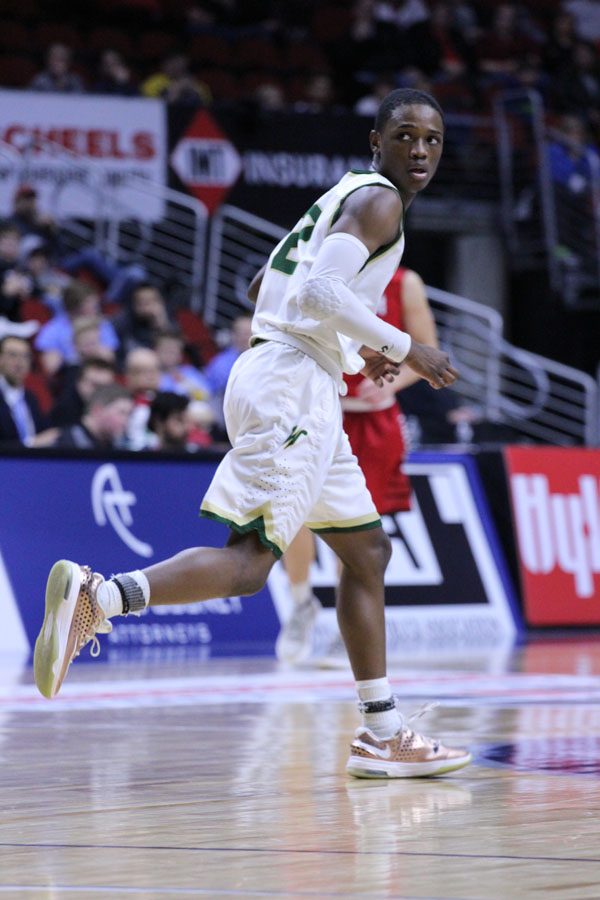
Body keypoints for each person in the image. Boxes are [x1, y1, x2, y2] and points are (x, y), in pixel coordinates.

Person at [33, 88, 471, 779]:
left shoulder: (341, 198)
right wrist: (403, 346)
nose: (419, 151)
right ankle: (102, 596)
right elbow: (316, 296)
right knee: (250, 565)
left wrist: (333, 330)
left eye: (433, 140)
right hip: (292, 382)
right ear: (376, 141)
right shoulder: (379, 199)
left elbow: (269, 280)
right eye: (406, 136)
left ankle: (381, 733)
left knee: (366, 553)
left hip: (304, 382)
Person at [274, 266, 438, 665]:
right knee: (292, 511)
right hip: (316, 409)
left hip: (374, 419)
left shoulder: (405, 282)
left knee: (355, 528)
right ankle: (300, 606)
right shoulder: (320, 272)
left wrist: (386, 384)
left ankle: (347, 629)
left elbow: (427, 350)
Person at [50, 384, 133, 450]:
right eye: (122, 413)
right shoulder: (66, 444)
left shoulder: (115, 444)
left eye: (129, 414)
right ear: (97, 411)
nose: (126, 421)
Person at [0, 335, 47, 445]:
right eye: (13, 355)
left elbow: (44, 433)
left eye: (25, 356)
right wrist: (30, 444)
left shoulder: (31, 398)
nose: (20, 362)